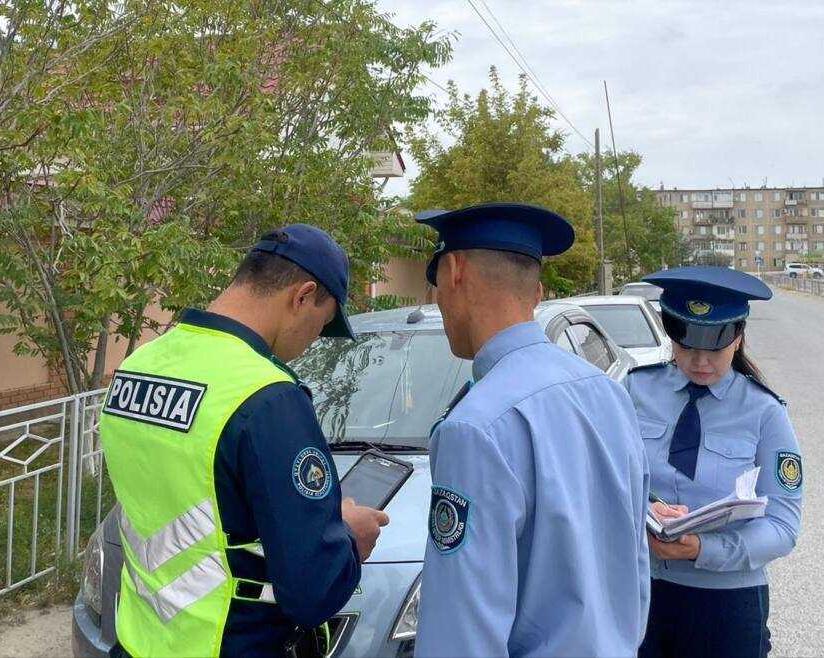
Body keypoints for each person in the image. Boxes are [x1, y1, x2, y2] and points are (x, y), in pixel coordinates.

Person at [100, 224, 390, 658]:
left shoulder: (141, 365)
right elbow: (313, 590)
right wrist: (349, 537)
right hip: (229, 644)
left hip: (139, 640)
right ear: (303, 296)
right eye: (321, 324)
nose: (312, 342)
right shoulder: (266, 397)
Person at [413, 203, 651, 658]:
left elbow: (461, 635)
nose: (436, 300)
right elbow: (636, 571)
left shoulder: (476, 427)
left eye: (435, 284)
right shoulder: (607, 392)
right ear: (536, 292)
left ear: (455, 270)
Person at [627, 266, 804, 658]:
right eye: (688, 347)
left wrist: (702, 549)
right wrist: (646, 505)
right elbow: (611, 477)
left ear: (737, 339)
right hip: (640, 590)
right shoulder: (636, 390)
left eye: (715, 348)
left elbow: (783, 526)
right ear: (672, 334)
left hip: (727, 604)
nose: (700, 361)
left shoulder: (764, 412)